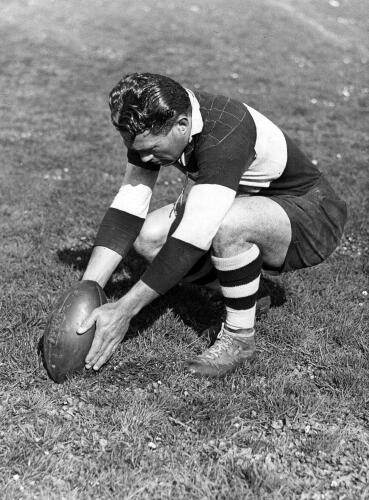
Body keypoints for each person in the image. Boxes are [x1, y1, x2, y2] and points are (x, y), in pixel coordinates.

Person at [77, 72, 347, 377]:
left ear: (182, 125)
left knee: (226, 224)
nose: (145, 158)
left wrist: (124, 310)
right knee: (149, 237)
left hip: (311, 213)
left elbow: (192, 237)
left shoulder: (224, 134)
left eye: (152, 149)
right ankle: (249, 294)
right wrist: (87, 290)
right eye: (137, 150)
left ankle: (238, 339)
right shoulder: (155, 123)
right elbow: (128, 209)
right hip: (250, 201)